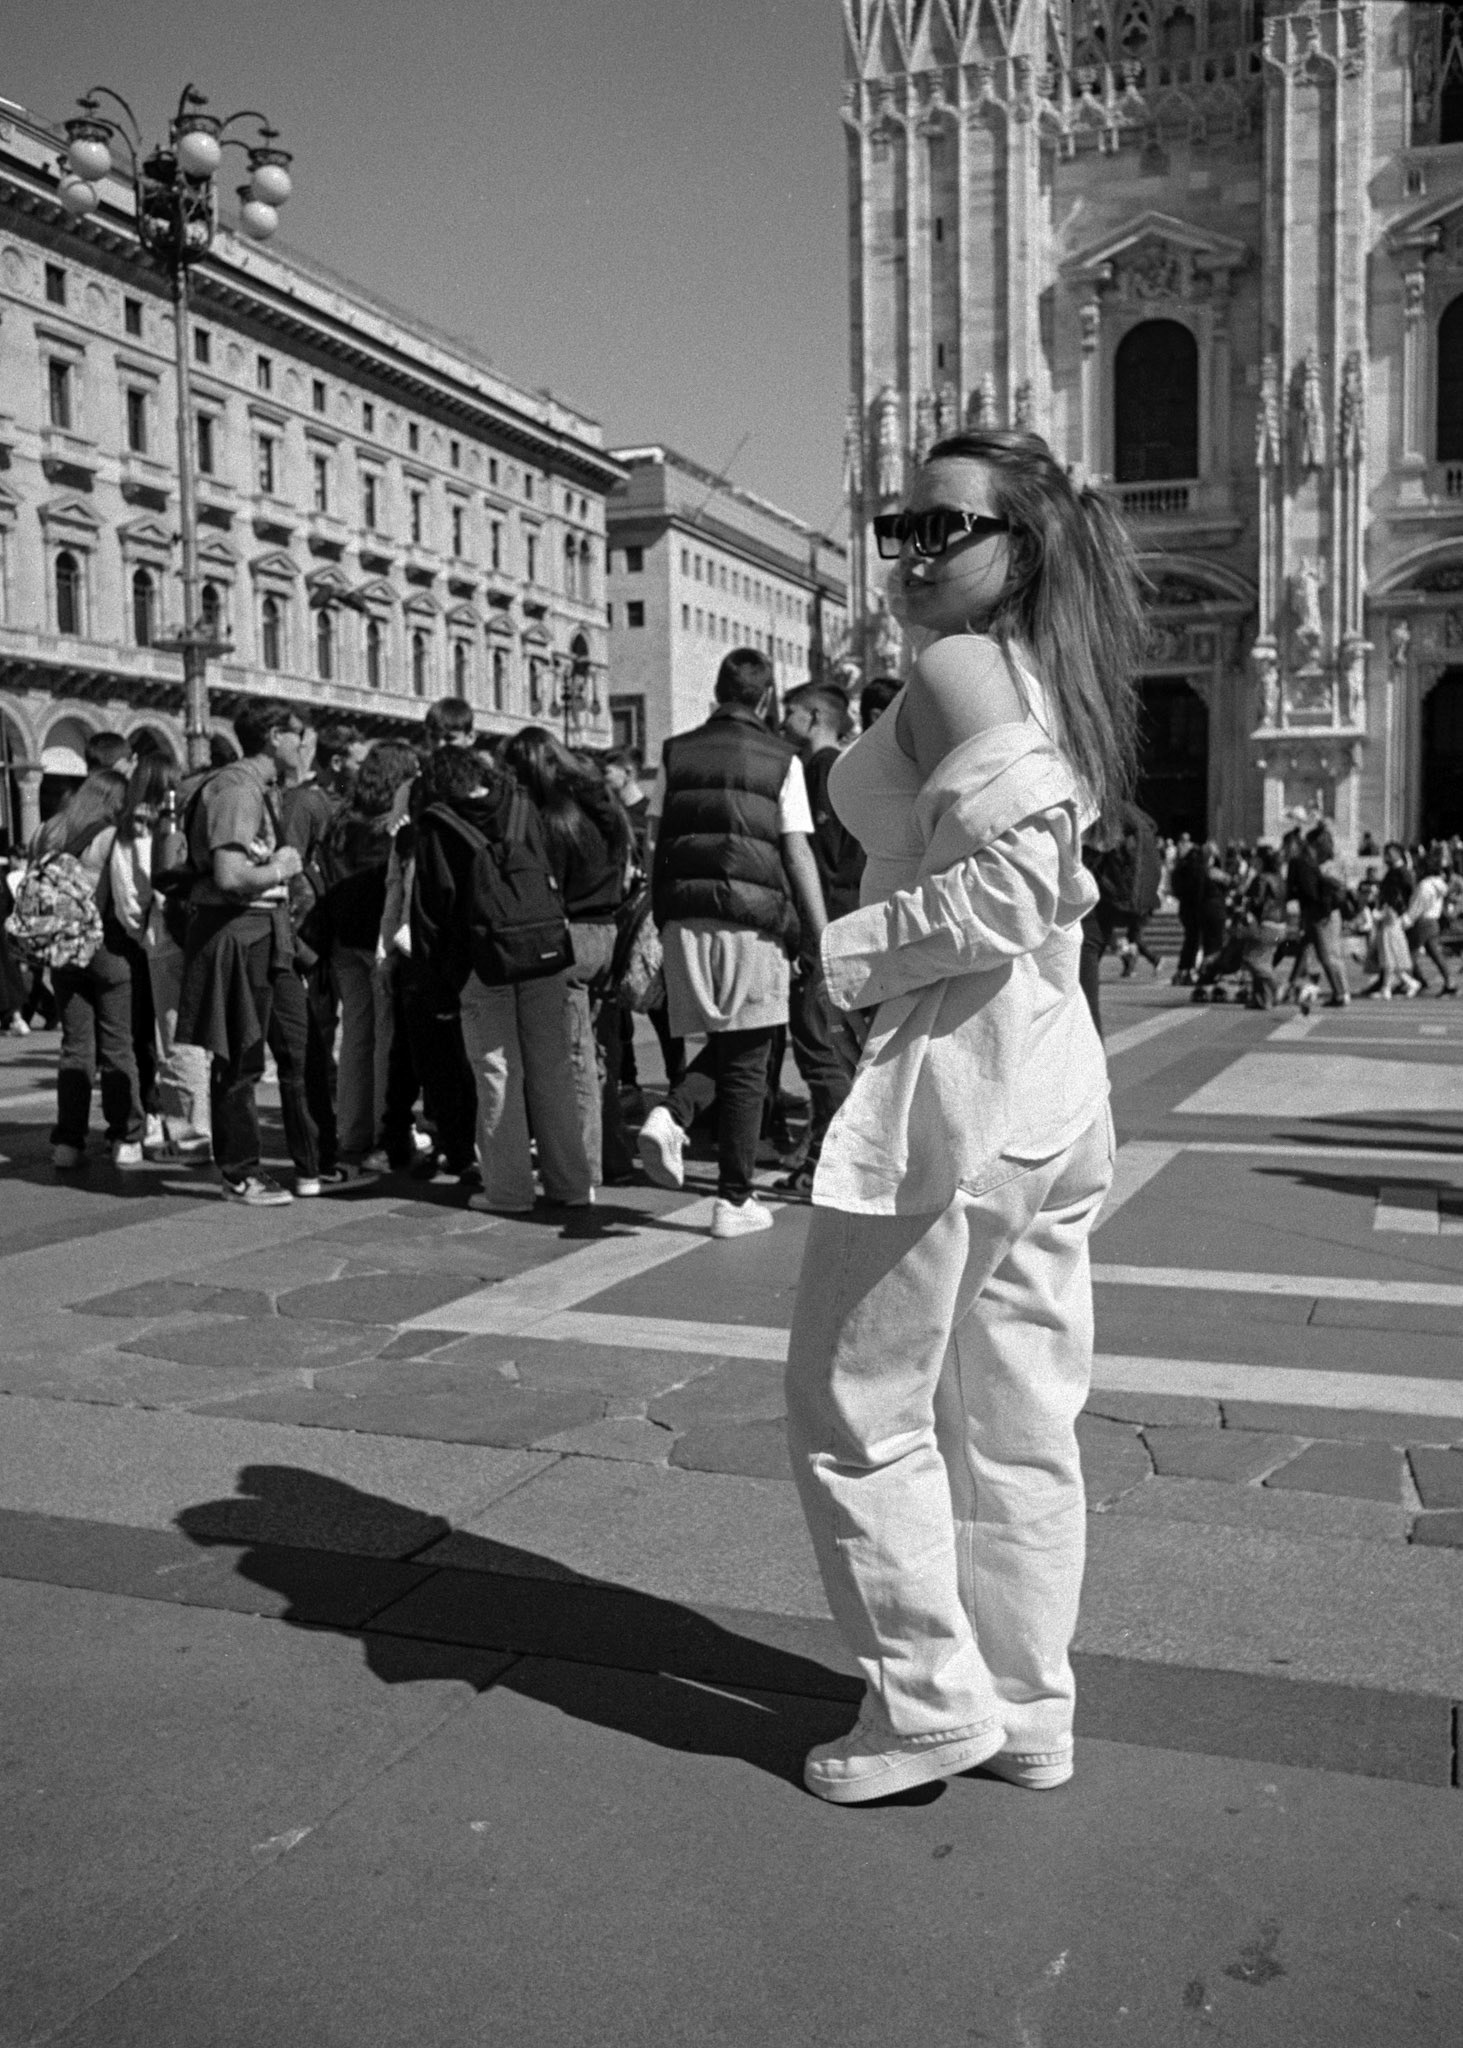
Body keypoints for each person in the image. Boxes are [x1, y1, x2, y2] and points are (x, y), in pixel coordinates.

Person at [784, 427, 1138, 1804]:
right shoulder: (1047, 673)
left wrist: (846, 959)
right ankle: (1027, 1705)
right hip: (1048, 1078)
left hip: (961, 1082)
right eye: (900, 524)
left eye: (946, 528)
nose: (913, 553)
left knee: (851, 1404)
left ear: (1018, 549)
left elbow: (1017, 885)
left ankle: (927, 1703)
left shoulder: (961, 663)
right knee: (1014, 1417)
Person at [636, 648, 828, 1238]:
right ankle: (733, 1198)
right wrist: (821, 935)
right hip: (756, 919)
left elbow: (653, 839)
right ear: (767, 699)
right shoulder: (783, 759)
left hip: (687, 918)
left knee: (728, 1043)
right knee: (749, 1055)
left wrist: (658, 911)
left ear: (716, 691)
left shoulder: (675, 751)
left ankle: (675, 1113)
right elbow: (796, 851)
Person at [412, 744, 592, 1211]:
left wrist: (437, 986)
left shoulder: (437, 824)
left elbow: (432, 913)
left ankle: (509, 1191)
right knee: (551, 1068)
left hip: (481, 962)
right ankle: (571, 1185)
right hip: (541, 954)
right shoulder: (522, 806)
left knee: (497, 1073)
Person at [174, 701, 317, 1205]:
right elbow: (231, 876)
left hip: (267, 932)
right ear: (275, 736)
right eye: (299, 736)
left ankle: (313, 1164)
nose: (305, 745)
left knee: (299, 1044)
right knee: (240, 1058)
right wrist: (282, 868)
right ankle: (241, 1172)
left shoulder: (257, 787)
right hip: (241, 932)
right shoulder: (237, 789)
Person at [500, 727, 632, 1188]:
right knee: (600, 1056)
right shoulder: (602, 805)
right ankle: (612, 1155)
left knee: (574, 1061)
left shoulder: (550, 817)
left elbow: (542, 889)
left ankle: (584, 1171)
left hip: (571, 939)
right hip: (609, 933)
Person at [32, 770, 145, 1171]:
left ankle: (68, 1141)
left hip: (62, 949)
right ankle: (125, 1136)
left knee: (75, 1046)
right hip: (106, 947)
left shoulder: (48, 832)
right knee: (118, 1044)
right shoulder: (111, 836)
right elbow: (128, 896)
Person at [777, 682, 865, 1191]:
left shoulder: (819, 771)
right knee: (828, 1044)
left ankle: (827, 1166)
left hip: (823, 926)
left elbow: (816, 858)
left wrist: (812, 936)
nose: (781, 718)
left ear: (813, 718)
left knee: (818, 1045)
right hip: (840, 922)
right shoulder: (846, 769)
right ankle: (823, 1155)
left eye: (790, 711)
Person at [106, 753, 212, 1158]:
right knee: (207, 1031)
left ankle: (193, 1133)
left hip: (164, 938)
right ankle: (217, 1124)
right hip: (204, 930)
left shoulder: (133, 831)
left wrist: (143, 932)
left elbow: (128, 900)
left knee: (177, 1036)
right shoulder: (189, 818)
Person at [322, 740, 420, 1170]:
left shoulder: (342, 819)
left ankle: (352, 1129)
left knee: (355, 1035)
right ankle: (384, 1128)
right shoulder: (394, 826)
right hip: (377, 938)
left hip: (342, 936)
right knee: (385, 1035)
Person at [1286, 820, 1351, 1007]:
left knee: (1328, 955)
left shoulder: (1304, 863)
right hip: (1327, 912)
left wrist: (1294, 893)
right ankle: (1294, 985)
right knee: (1311, 950)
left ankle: (1341, 993)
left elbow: (1310, 892)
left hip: (1321, 914)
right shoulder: (1319, 863)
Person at [1404, 851, 1459, 995]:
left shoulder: (1424, 886)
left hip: (1423, 922)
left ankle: (1416, 980)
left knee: (1407, 953)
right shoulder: (1438, 885)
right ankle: (1449, 982)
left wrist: (1406, 921)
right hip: (1433, 922)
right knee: (1435, 954)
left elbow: (1417, 907)